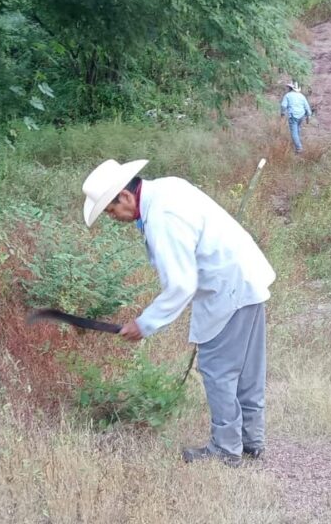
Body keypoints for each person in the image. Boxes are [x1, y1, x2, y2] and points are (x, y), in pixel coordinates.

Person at [81, 158, 276, 467]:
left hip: (229, 288)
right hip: (245, 278)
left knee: (218, 370)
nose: (113, 218)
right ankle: (251, 440)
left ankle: (226, 449)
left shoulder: (162, 217)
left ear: (126, 197)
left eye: (111, 210)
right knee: (248, 369)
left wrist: (144, 324)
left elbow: (181, 285)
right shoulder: (166, 188)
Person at [280, 82, 312, 153]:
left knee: (294, 132)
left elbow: (283, 106)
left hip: (293, 116)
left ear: (290, 88)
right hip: (301, 115)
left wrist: (282, 114)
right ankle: (297, 143)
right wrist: (308, 115)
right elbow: (307, 106)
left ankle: (299, 148)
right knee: (298, 129)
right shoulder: (301, 96)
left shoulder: (287, 95)